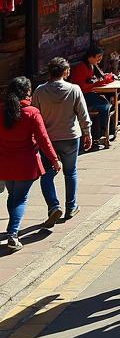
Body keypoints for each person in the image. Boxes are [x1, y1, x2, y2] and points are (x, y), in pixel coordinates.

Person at [1, 77, 61, 250]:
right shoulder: (32, 112)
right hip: (25, 164)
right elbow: (44, 139)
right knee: (20, 199)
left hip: (5, 163)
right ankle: (13, 234)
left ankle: (12, 228)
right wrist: (54, 159)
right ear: (27, 92)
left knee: (13, 197)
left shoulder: (2, 111)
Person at [32, 57, 92, 226]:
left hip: (48, 139)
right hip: (71, 137)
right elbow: (83, 114)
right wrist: (87, 133)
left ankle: (53, 206)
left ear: (50, 72)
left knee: (47, 174)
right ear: (66, 72)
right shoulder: (74, 89)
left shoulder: (39, 91)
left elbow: (35, 116)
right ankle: (71, 206)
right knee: (70, 172)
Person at [70, 43, 114, 144]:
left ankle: (106, 131)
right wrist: (97, 83)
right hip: (82, 97)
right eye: (98, 57)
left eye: (101, 57)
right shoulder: (81, 67)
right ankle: (103, 132)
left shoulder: (92, 66)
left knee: (108, 102)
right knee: (105, 105)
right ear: (90, 56)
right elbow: (80, 87)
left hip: (89, 93)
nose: (100, 59)